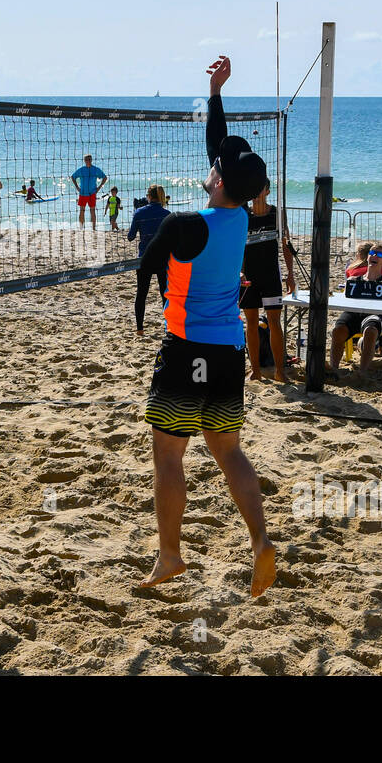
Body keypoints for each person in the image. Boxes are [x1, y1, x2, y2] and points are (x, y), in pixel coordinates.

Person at [137, 55, 275, 596]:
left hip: (185, 347)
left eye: (217, 166)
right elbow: (221, 149)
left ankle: (170, 554)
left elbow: (151, 258)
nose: (212, 164)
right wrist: (214, 94)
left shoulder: (190, 224)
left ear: (218, 181)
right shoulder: (239, 215)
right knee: (228, 451)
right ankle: (260, 541)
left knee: (169, 454)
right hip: (228, 351)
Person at [240, 181, 295, 382]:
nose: (256, 194)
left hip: (271, 275)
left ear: (267, 191)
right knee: (251, 323)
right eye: (253, 190)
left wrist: (290, 274)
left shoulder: (277, 214)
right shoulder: (243, 214)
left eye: (259, 190)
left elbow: (286, 244)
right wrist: (239, 272)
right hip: (249, 278)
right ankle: (255, 370)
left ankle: (280, 371)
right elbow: (235, 247)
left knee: (274, 323)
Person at [329, 243, 382, 372]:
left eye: (379, 254)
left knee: (370, 331)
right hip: (354, 313)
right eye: (372, 253)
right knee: (337, 331)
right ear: (367, 257)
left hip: (375, 314)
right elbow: (345, 302)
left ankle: (363, 372)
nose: (374, 256)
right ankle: (333, 369)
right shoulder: (353, 279)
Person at [127, 184, 170, 335]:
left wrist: (136, 217)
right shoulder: (167, 214)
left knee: (142, 293)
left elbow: (130, 237)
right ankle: (168, 327)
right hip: (162, 259)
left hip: (144, 258)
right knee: (165, 294)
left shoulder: (140, 212)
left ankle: (139, 329)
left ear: (149, 196)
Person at [70, 154, 107, 229]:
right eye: (87, 160)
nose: (88, 161)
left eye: (89, 159)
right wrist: (77, 187)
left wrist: (98, 188)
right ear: (84, 161)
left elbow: (105, 177)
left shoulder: (96, 169)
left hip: (92, 193)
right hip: (83, 193)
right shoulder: (81, 170)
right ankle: (81, 228)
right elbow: (73, 177)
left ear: (91, 160)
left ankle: (93, 228)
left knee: (92, 211)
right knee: (82, 211)